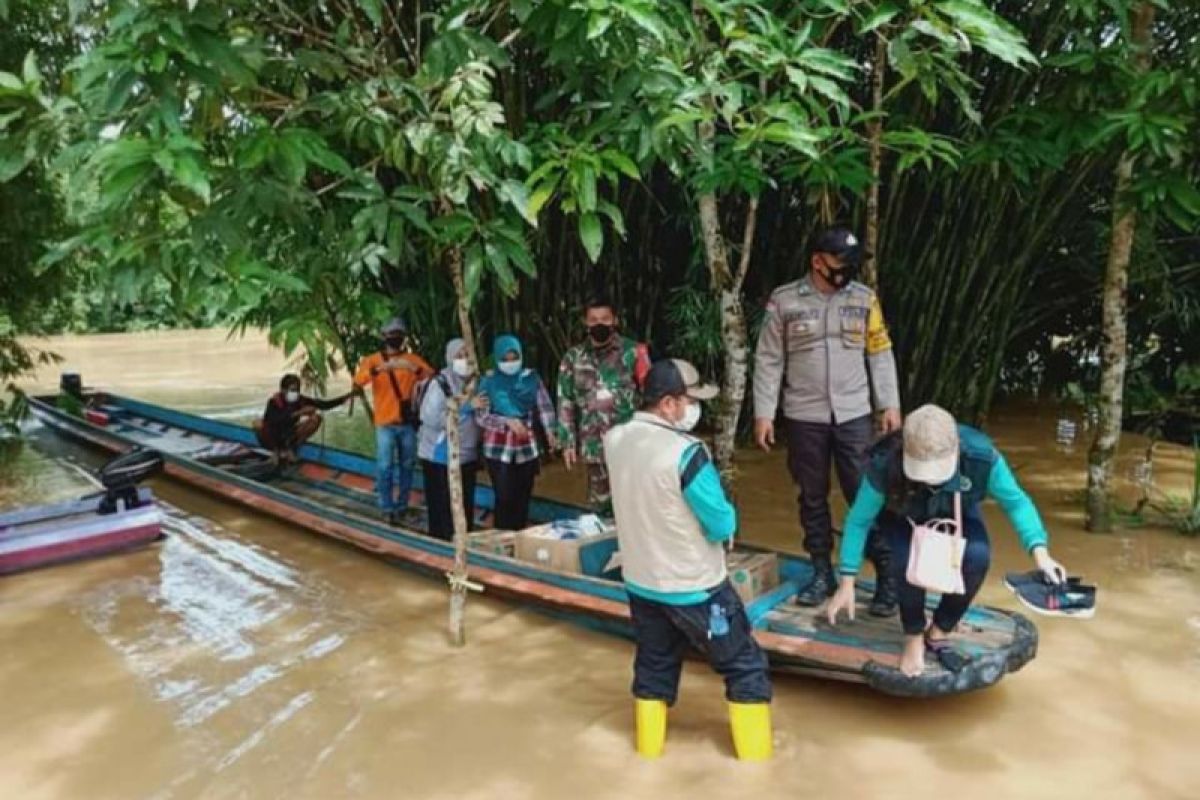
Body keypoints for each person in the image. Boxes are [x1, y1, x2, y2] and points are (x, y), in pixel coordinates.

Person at [604, 358, 772, 762]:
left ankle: (647, 758)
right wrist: (724, 526)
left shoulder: (615, 438)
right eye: (688, 400)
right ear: (667, 404)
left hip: (642, 583)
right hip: (696, 588)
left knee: (653, 667)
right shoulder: (687, 453)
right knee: (745, 666)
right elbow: (720, 520)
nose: (693, 409)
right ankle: (757, 767)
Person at [826, 404, 1070, 678]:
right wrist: (847, 579)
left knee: (978, 557)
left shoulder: (981, 457)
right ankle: (913, 634)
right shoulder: (885, 464)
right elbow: (859, 519)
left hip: (957, 508)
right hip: (903, 512)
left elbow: (1016, 503)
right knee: (907, 562)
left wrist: (1040, 553)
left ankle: (939, 629)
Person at [752, 227, 903, 615]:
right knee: (812, 497)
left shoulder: (865, 299)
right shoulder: (784, 301)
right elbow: (769, 358)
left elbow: (880, 354)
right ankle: (822, 572)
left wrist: (889, 404)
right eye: (841, 262)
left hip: (854, 414)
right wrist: (764, 412)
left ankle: (887, 575)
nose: (848, 270)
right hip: (804, 416)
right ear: (817, 261)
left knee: (866, 495)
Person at [556, 295, 651, 517]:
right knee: (600, 508)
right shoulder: (573, 358)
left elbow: (651, 397)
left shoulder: (634, 352)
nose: (600, 324)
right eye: (593, 319)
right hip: (593, 446)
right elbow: (565, 400)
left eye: (605, 318)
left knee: (634, 504)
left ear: (615, 320)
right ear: (585, 323)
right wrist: (567, 441)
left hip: (631, 446)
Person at [353, 317, 434, 524]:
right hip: (384, 424)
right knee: (384, 467)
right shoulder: (372, 360)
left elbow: (432, 378)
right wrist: (378, 370)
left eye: (399, 334)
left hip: (407, 423)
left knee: (407, 466)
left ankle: (403, 505)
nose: (395, 338)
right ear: (384, 337)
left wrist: (412, 368)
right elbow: (358, 381)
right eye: (391, 335)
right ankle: (386, 506)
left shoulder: (412, 359)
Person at [477, 334, 558, 531]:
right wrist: (507, 422)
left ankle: (519, 537)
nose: (511, 363)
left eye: (515, 358)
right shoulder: (488, 382)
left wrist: (551, 433)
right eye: (505, 359)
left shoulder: (531, 379)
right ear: (497, 359)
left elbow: (545, 407)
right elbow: (481, 416)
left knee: (523, 496)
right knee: (504, 497)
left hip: (526, 447)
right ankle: (502, 539)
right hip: (498, 449)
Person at [418, 339, 487, 541]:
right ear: (450, 358)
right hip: (440, 456)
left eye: (467, 355)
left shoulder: (476, 382)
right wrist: (464, 407)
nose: (464, 360)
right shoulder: (440, 383)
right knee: (442, 508)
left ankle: (463, 545)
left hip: (468, 455)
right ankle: (440, 548)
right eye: (459, 356)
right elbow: (430, 418)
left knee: (465, 506)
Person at [253, 374, 350, 463]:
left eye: (297, 390)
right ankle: (276, 451)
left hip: (290, 435)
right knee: (258, 423)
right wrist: (299, 413)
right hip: (273, 435)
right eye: (292, 390)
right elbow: (273, 421)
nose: (295, 393)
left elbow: (323, 405)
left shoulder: (300, 400)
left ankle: (292, 448)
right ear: (283, 390)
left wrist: (344, 399)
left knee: (316, 419)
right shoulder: (274, 402)